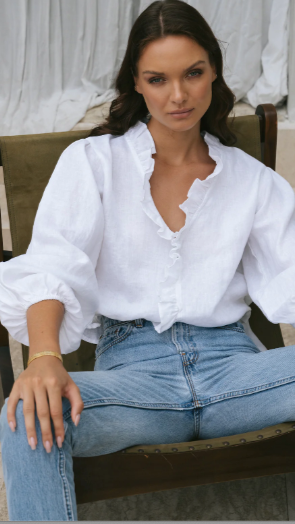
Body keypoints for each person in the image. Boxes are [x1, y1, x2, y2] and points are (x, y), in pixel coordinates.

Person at [1, 0, 295, 520]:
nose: (178, 95)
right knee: (27, 414)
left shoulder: (253, 181)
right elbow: (53, 265)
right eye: (158, 79)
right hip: (134, 382)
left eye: (193, 74)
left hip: (237, 376)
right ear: (136, 83)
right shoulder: (93, 163)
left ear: (214, 73)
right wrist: (44, 359)